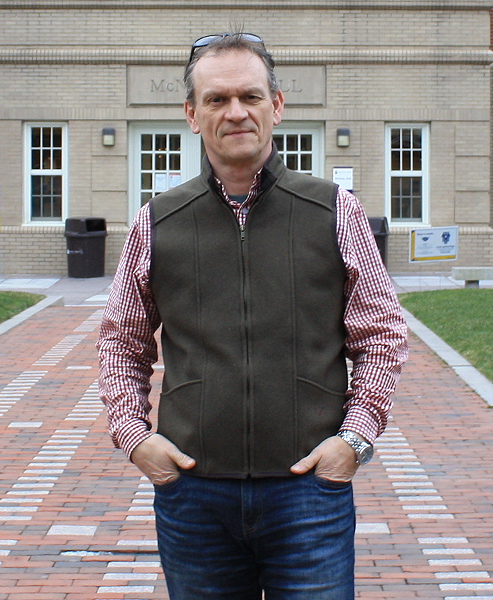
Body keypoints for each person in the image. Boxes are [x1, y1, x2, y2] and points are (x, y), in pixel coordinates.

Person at [97, 32, 408, 599]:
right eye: (216, 99)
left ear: (277, 106)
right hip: (194, 497)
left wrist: (354, 441)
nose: (235, 112)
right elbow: (122, 340)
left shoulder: (333, 210)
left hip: (309, 493)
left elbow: (381, 334)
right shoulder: (159, 220)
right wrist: (135, 438)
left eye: (250, 96)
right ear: (192, 115)